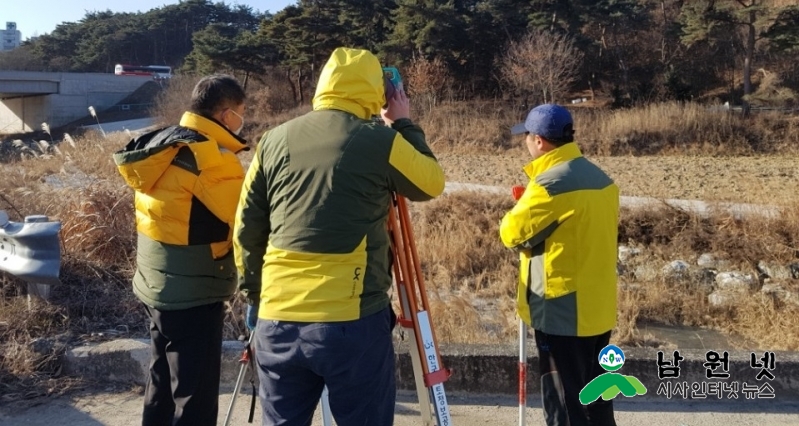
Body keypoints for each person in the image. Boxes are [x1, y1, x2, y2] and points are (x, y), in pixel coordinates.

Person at [233, 47, 446, 425]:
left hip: (277, 318)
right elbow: (430, 183)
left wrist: (254, 293)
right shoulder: (380, 140)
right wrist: (403, 123)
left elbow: (247, 227)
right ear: (376, 93)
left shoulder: (273, 140)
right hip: (352, 322)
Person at [113, 74, 249, 426]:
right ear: (224, 114)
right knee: (195, 393)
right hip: (194, 290)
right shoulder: (211, 157)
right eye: (241, 112)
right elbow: (244, 220)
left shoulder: (162, 142)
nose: (242, 120)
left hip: (155, 283)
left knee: (160, 378)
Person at [499, 104, 620, 426]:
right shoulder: (600, 178)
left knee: (565, 405)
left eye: (526, 136)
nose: (524, 142)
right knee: (596, 399)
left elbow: (511, 235)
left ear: (539, 141)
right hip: (598, 307)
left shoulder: (549, 185)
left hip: (562, 309)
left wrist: (523, 203)